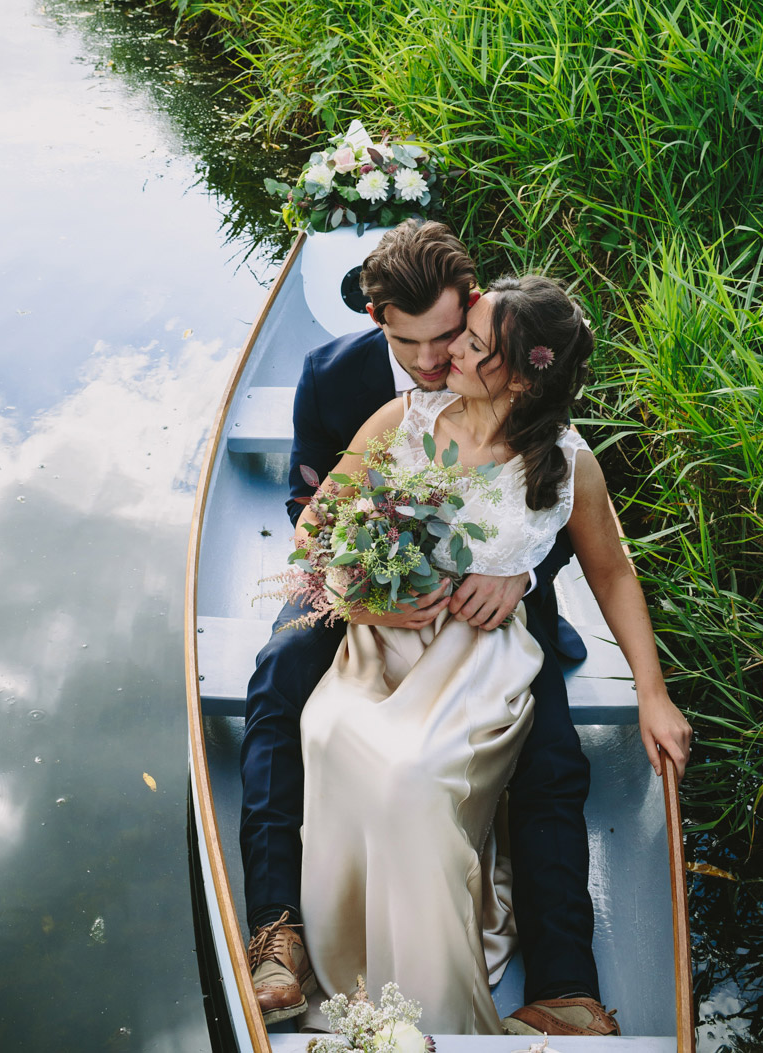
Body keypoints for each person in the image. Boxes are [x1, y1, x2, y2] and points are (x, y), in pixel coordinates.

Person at [241, 223, 616, 1035]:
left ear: (473, 304)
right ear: (377, 317)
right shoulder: (336, 379)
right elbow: (312, 515)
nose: (432, 359)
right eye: (409, 341)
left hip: (494, 595)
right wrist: (362, 596)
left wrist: (515, 574)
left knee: (551, 746)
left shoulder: (507, 358)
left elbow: (550, 513)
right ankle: (281, 930)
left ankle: (566, 983)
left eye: (449, 336)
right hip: (359, 576)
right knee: (277, 677)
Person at [296, 273, 692, 1035]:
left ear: (519, 372)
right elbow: (316, 527)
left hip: (480, 666)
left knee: (409, 777)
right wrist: (365, 598)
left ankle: (434, 1007)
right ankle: (347, 959)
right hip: (380, 647)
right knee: (328, 730)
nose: (447, 353)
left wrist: (652, 690)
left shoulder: (567, 464)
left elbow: (611, 572)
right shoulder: (405, 417)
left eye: (471, 345)